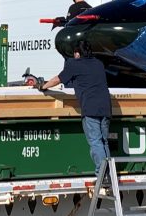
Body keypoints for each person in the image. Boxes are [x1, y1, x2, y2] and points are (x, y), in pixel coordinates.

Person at [39, 40, 111, 170]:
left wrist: (43, 86)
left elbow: (58, 79)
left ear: (77, 53)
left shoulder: (74, 64)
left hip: (91, 109)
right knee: (103, 142)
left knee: (95, 142)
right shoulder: (99, 64)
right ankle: (109, 174)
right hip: (106, 108)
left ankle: (102, 174)